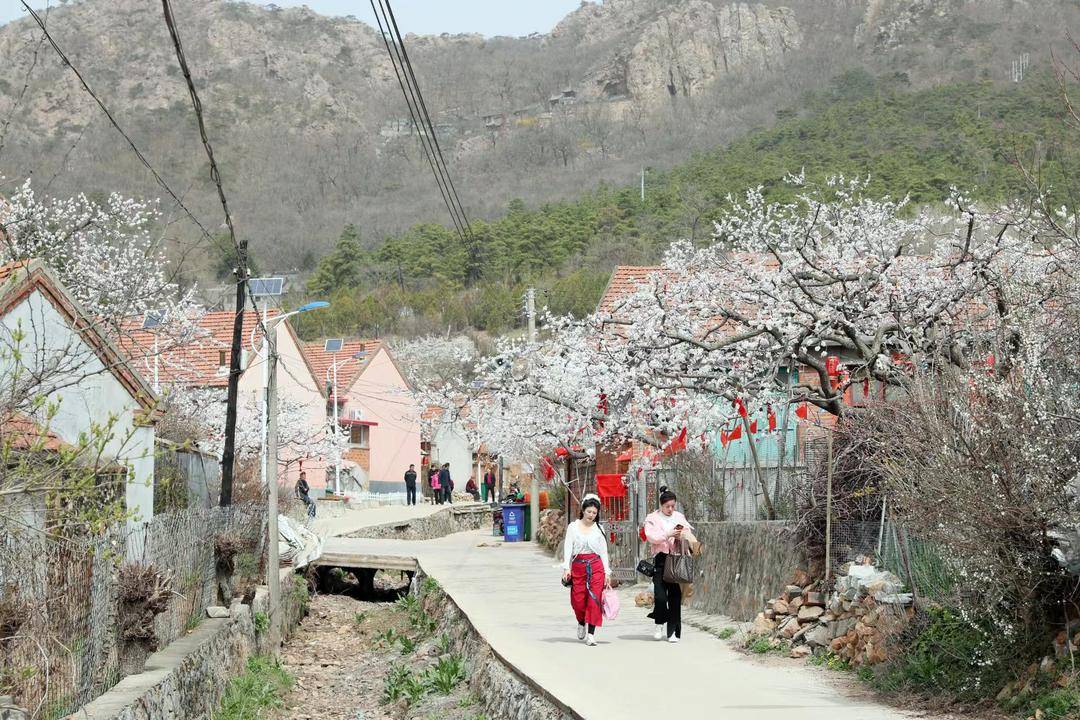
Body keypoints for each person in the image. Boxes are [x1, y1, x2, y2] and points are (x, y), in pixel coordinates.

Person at [643, 486, 694, 643]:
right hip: (661, 559)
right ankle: (659, 623)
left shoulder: (679, 516)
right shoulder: (652, 518)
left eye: (673, 506)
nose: (671, 509)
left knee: (675, 596)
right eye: (667, 506)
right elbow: (651, 537)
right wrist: (668, 534)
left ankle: (673, 632)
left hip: (676, 559)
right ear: (661, 505)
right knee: (660, 596)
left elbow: (689, 531)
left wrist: (683, 535)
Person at [561, 494, 611, 646]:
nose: (591, 515)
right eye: (589, 511)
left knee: (594, 600)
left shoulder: (599, 529)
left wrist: (607, 572)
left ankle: (591, 634)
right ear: (583, 510)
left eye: (594, 513)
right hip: (578, 566)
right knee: (578, 601)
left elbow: (603, 551)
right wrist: (566, 568)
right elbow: (568, 548)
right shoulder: (573, 527)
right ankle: (581, 621)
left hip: (596, 566)